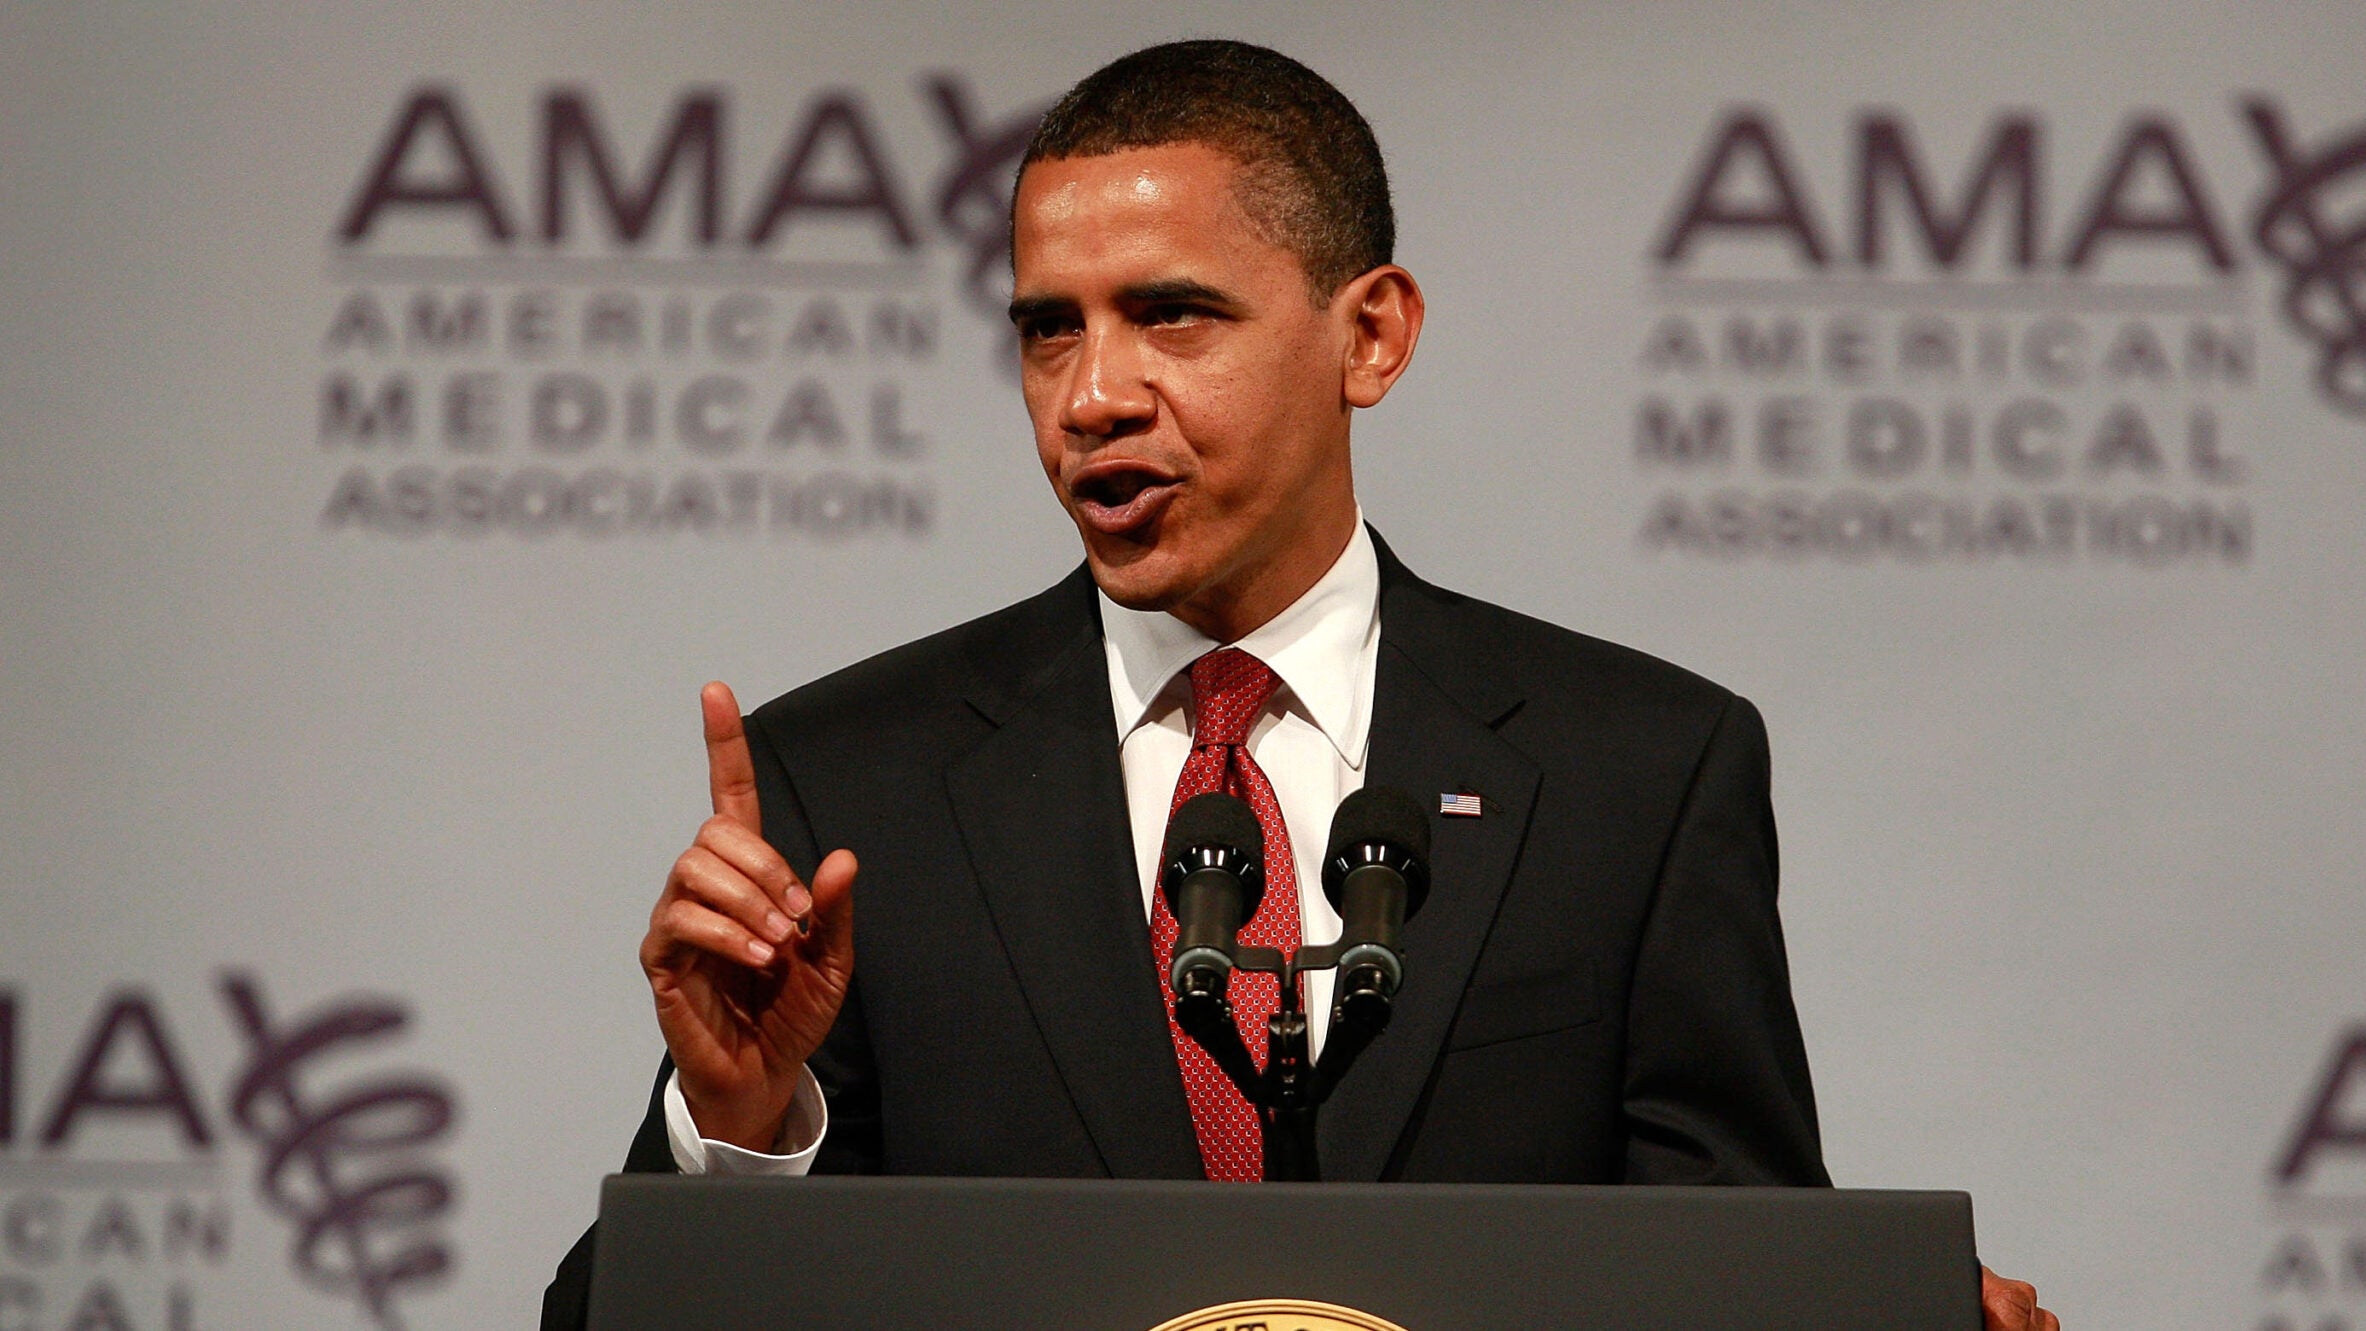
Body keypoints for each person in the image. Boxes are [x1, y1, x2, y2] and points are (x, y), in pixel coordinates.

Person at [544, 39, 2058, 1331]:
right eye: (1049, 329)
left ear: (1370, 334)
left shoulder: (1640, 772)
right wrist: (738, 1130)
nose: (1093, 395)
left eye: (1172, 314)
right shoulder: (855, 785)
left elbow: (1733, 1281)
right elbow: (609, 1322)